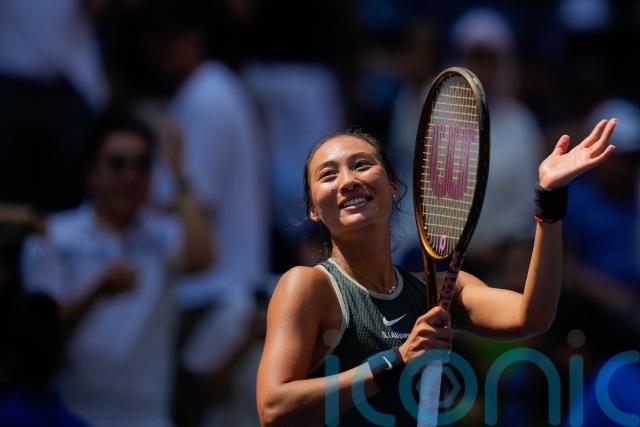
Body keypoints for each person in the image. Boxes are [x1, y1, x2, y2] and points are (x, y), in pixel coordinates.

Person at [256, 118, 618, 426]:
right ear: (313, 209)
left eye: (362, 165)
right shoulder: (307, 285)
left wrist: (549, 200)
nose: (348, 180)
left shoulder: (439, 291)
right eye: (328, 174)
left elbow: (533, 317)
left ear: (394, 187)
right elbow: (274, 408)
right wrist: (397, 360)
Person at [20, 111, 211, 427]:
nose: (131, 176)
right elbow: (41, 335)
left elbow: (202, 257)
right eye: (117, 164)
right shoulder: (54, 236)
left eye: (142, 164)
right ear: (90, 173)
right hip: (71, 415)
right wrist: (98, 291)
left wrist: (178, 172)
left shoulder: (161, 234)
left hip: (149, 418)